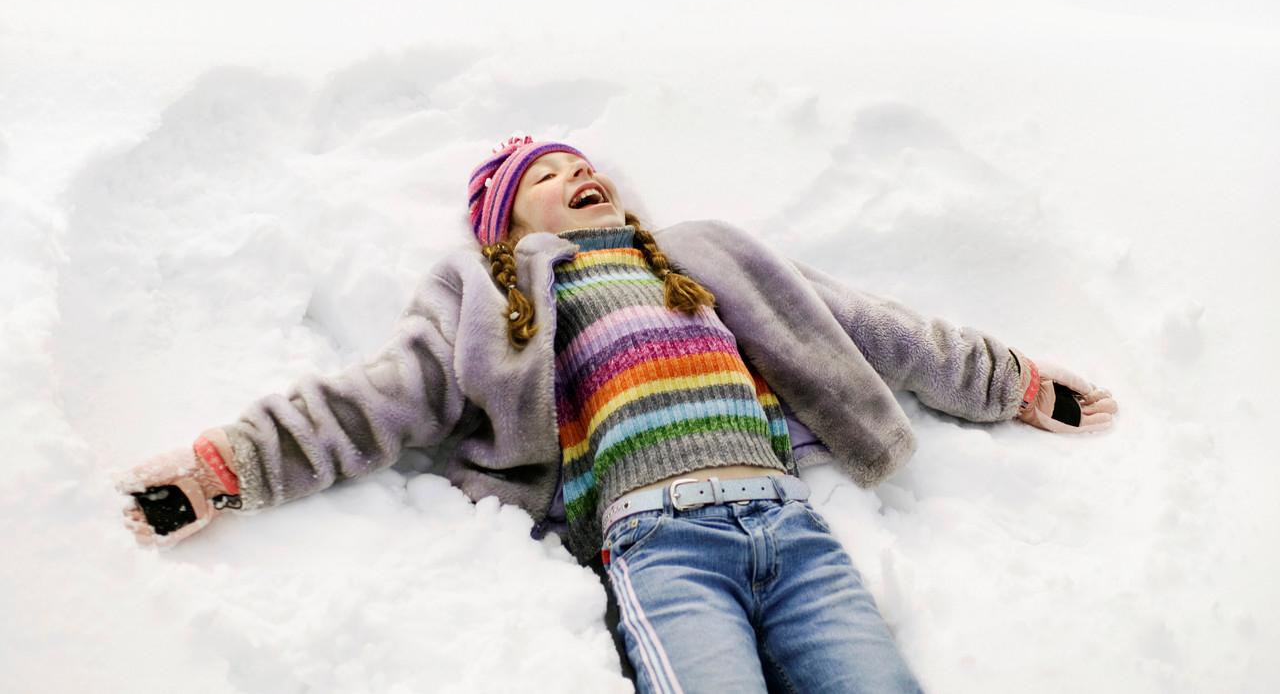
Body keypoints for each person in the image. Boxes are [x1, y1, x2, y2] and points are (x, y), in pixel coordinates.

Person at [119, 133, 1118, 693]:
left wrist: (1014, 383)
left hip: (792, 530)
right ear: (506, 224)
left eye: (578, 161)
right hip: (659, 547)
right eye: (541, 177)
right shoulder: (492, 299)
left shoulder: (709, 255)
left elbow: (877, 333)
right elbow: (383, 396)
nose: (572, 174)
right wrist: (226, 466)